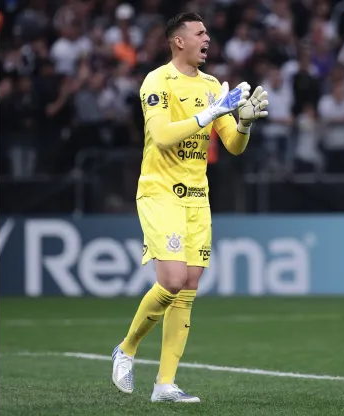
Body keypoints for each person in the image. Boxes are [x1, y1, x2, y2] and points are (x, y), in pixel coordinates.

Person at [110, 12, 268, 403]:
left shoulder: (213, 85)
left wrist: (243, 122)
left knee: (189, 287)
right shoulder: (158, 80)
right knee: (173, 279)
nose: (207, 38)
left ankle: (164, 384)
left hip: (198, 197)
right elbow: (162, 136)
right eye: (199, 33)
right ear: (177, 41)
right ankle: (126, 348)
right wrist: (209, 114)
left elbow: (231, 144)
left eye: (207, 32)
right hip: (160, 191)